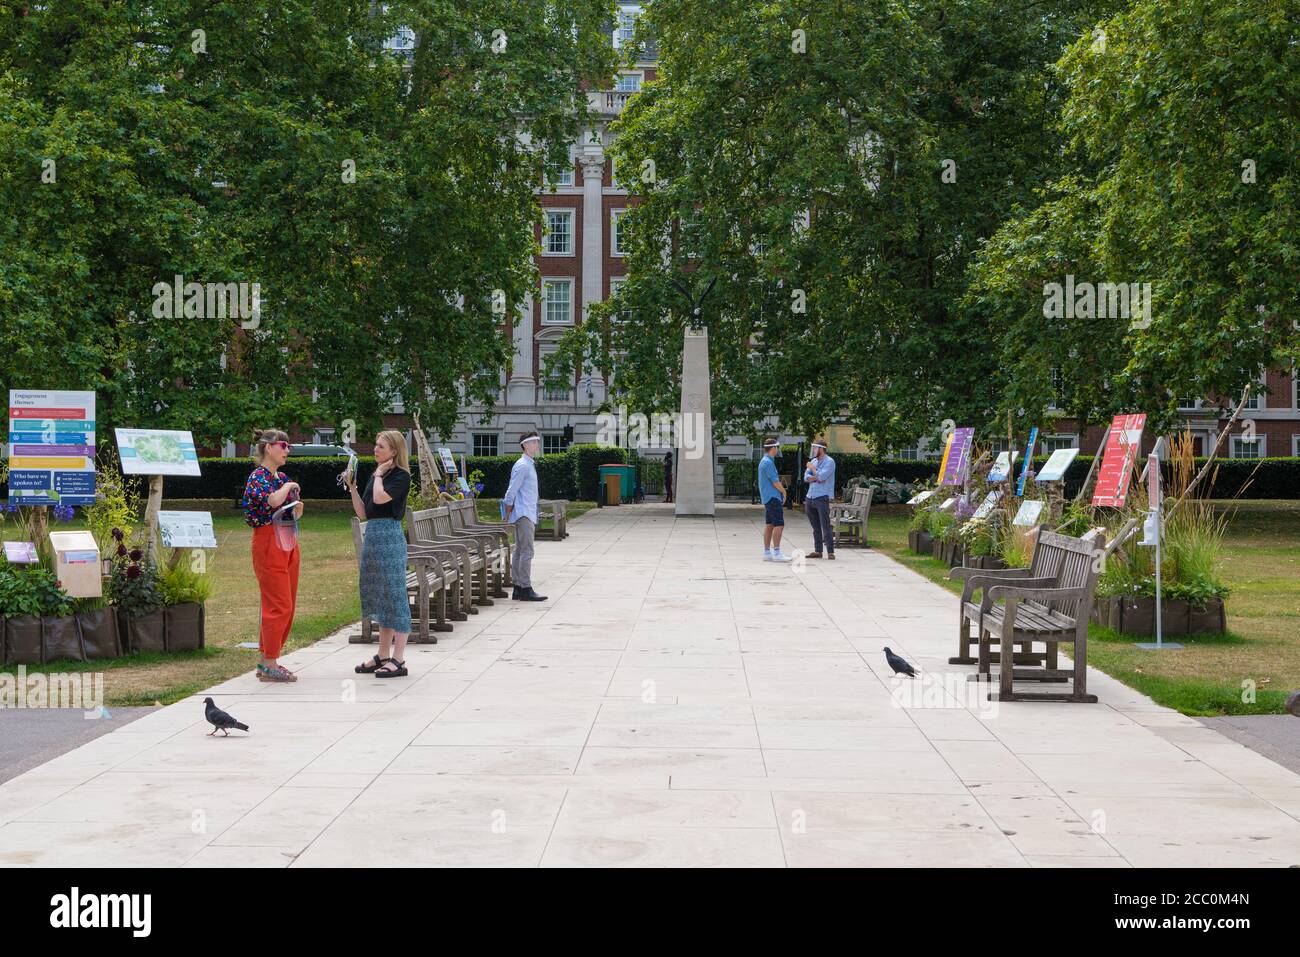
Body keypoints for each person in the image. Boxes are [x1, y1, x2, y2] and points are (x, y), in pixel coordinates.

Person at [346, 431, 413, 678]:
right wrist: (352, 487)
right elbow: (364, 512)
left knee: (395, 595)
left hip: (390, 538)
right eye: (375, 445)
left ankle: (398, 659)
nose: (375, 449)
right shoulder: (377, 475)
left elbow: (380, 497)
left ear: (393, 451)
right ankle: (383, 655)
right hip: (373, 537)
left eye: (380, 446)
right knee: (380, 596)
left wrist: (377, 476)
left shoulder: (400, 476)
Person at [242, 429, 302, 682]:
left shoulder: (282, 476)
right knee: (278, 603)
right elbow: (273, 501)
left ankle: (267, 659)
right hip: (268, 540)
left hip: (287, 537)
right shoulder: (258, 477)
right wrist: (288, 487)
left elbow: (292, 509)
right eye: (284, 445)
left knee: (288, 603)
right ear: (269, 448)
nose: (288, 450)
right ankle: (269, 662)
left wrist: (297, 507)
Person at [503, 431, 547, 601]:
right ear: (525, 445)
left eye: (537, 442)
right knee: (526, 550)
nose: (537, 445)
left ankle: (519, 588)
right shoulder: (522, 465)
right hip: (523, 514)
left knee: (520, 550)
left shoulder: (528, 464)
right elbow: (511, 491)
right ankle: (525, 587)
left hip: (526, 512)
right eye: (534, 442)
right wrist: (506, 513)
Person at [758, 438, 792, 562]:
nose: (777, 450)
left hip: (768, 497)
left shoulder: (766, 461)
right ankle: (777, 553)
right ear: (773, 448)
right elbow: (775, 482)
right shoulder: (767, 462)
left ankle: (767, 552)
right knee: (779, 524)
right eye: (777, 447)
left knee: (770, 525)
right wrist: (784, 491)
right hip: (773, 497)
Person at [803, 441, 837, 560]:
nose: (813, 451)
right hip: (810, 497)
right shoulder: (814, 461)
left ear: (822, 449)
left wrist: (813, 469)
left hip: (822, 497)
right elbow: (805, 478)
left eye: (815, 448)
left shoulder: (829, 462)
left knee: (825, 525)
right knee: (815, 527)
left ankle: (830, 552)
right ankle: (818, 551)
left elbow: (822, 477)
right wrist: (815, 477)